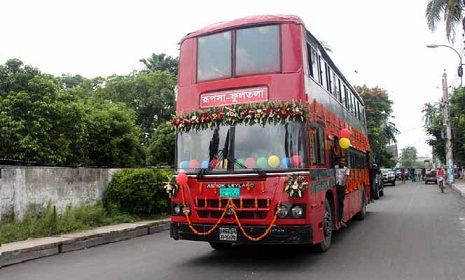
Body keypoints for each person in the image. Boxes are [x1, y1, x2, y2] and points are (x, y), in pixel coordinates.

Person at [335, 157, 350, 228]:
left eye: (343, 161)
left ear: (345, 162)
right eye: (340, 160)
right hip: (334, 186)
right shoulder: (335, 167)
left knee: (340, 202)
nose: (341, 162)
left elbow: (346, 177)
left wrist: (344, 183)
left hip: (341, 186)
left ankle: (340, 219)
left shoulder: (346, 169)